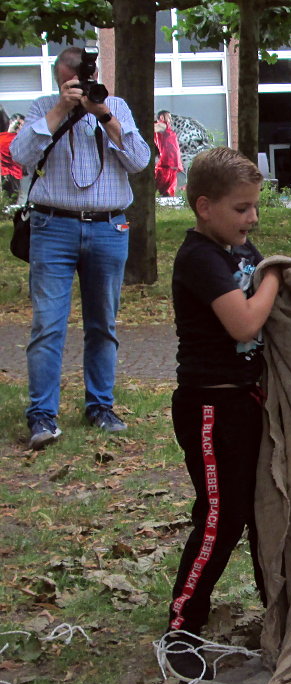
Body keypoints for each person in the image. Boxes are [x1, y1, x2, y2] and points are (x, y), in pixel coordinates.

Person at [163, 146, 291, 681]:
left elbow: (276, 299)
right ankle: (181, 627)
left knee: (267, 507)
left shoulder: (239, 252)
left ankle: (280, 610)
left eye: (255, 207)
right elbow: (244, 323)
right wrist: (272, 274)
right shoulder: (199, 257)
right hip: (208, 409)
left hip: (247, 404)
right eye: (242, 208)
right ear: (204, 206)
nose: (253, 218)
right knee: (221, 519)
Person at [11, 47, 150, 450]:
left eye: (82, 79)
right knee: (47, 324)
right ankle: (41, 416)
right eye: (70, 81)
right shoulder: (42, 107)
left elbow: (140, 161)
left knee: (102, 324)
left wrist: (103, 115)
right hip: (52, 225)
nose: (78, 86)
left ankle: (101, 407)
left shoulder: (115, 106)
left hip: (109, 226)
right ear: (60, 78)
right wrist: (59, 111)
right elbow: (20, 156)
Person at [153, 109, 182, 196]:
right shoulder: (163, 125)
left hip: (172, 167)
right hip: (166, 167)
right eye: (169, 118)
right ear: (162, 117)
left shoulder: (166, 128)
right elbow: (155, 127)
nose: (171, 120)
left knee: (168, 194)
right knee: (160, 190)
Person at [0, 113, 24, 198]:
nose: (19, 126)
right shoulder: (2, 137)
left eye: (22, 125)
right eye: (17, 123)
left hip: (14, 177)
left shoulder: (21, 140)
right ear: (11, 122)